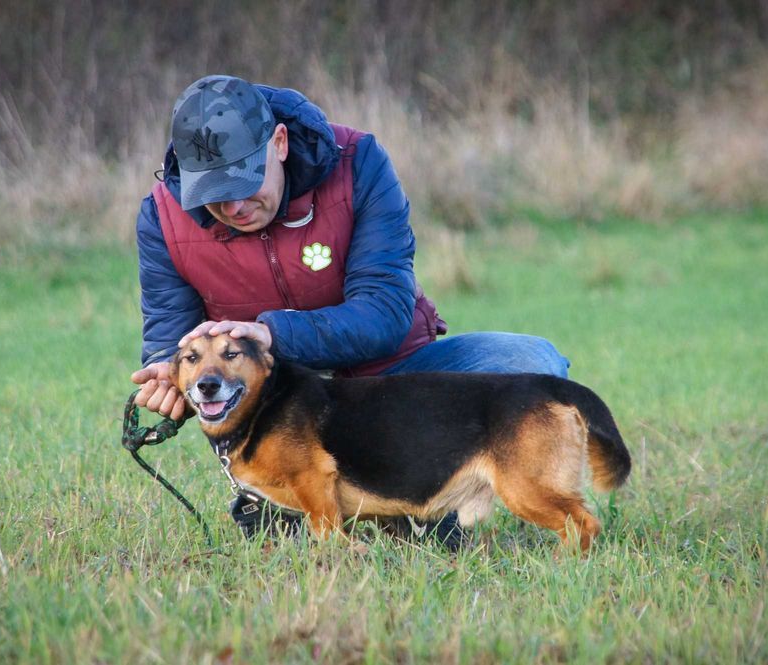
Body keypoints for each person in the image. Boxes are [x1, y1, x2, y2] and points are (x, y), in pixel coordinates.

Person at [129, 75, 570, 548]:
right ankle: (283, 495)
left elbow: (384, 310)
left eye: (244, 181)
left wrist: (270, 333)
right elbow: (170, 340)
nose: (234, 206)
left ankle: (417, 493)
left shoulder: (358, 163)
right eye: (213, 194)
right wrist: (166, 380)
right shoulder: (162, 216)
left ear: (279, 143)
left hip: (393, 382)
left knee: (531, 367)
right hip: (279, 411)